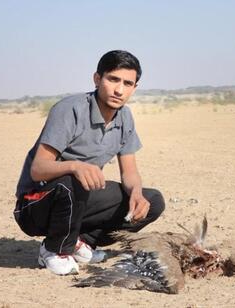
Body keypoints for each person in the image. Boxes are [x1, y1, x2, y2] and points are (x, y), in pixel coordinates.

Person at [13, 50, 165, 275]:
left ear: (134, 88)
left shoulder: (125, 117)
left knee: (152, 201)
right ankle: (53, 249)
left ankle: (80, 242)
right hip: (36, 204)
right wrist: (76, 165)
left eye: (127, 83)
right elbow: (38, 169)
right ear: (97, 79)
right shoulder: (70, 109)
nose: (119, 89)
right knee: (74, 179)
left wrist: (136, 193)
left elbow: (130, 172)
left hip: (78, 200)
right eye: (113, 79)